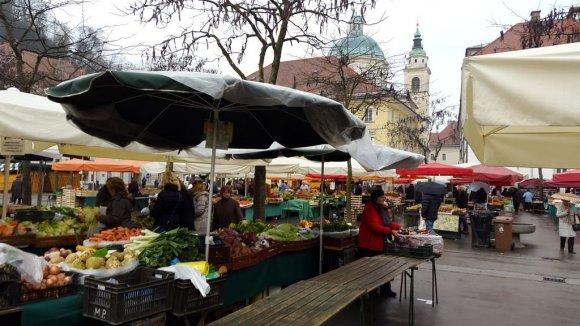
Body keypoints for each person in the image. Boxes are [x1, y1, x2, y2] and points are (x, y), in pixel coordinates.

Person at [357, 189, 401, 298]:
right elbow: (374, 227)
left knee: (384, 267)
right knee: (369, 271)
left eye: (384, 196)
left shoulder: (382, 208)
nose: (384, 198)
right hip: (369, 245)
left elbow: (387, 223)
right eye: (382, 197)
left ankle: (385, 290)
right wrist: (390, 231)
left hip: (380, 242)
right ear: (375, 199)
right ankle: (362, 295)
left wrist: (399, 228)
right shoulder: (370, 209)